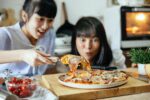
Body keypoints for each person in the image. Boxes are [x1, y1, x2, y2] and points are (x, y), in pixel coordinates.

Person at [0, 0, 57, 77]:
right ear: (24, 16)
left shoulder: (50, 34)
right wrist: (23, 55)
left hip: (38, 87)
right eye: (41, 19)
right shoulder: (6, 34)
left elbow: (50, 68)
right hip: (7, 87)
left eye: (50, 20)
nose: (45, 26)